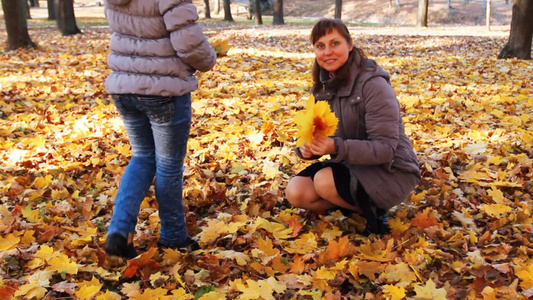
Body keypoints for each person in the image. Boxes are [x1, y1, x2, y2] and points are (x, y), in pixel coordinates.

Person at [285, 19, 420, 235]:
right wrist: (307, 149)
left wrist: (335, 147)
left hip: (392, 169)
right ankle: (354, 207)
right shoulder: (321, 87)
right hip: (349, 163)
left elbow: (385, 149)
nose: (327, 52)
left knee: (323, 181)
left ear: (349, 44)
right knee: (296, 193)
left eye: (335, 43)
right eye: (320, 46)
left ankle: (375, 211)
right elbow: (314, 133)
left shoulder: (373, 84)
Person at [103, 0, 216, 258]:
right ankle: (174, 237)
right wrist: (210, 59)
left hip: (124, 86)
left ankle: (119, 231)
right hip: (163, 89)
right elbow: (189, 43)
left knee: (142, 157)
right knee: (168, 166)